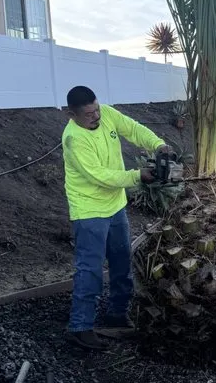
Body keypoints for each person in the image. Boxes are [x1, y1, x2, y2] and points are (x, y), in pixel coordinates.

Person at [62, 85, 171, 351]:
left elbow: (132, 129)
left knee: (122, 263)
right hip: (89, 212)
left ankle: (116, 315)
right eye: (89, 114)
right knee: (90, 270)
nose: (96, 117)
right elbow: (99, 176)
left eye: (97, 109)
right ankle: (80, 327)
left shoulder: (106, 114)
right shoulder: (74, 140)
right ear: (72, 114)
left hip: (115, 207)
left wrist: (159, 145)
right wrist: (137, 176)